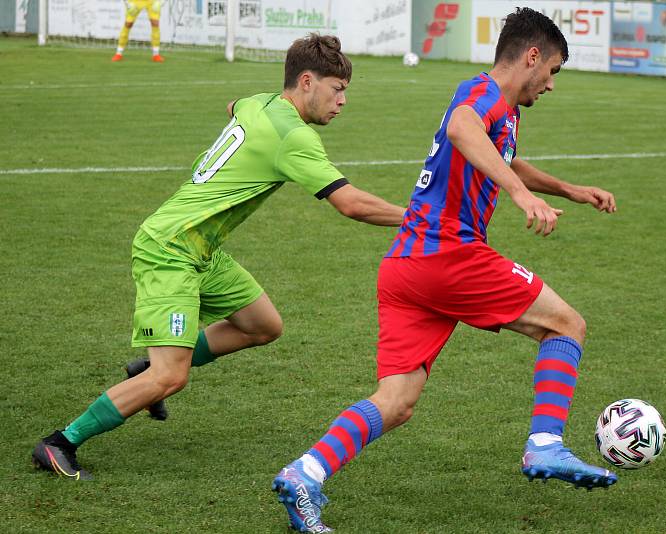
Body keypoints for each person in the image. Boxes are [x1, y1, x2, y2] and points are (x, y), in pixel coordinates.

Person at [272, 8, 618, 532]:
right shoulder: (480, 95)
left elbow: (504, 156)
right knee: (566, 324)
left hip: (405, 266)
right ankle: (545, 444)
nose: (550, 85)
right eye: (552, 71)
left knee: (397, 401)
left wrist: (568, 189)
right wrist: (521, 197)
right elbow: (462, 129)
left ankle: (306, 472)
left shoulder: (500, 109)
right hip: (448, 253)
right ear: (531, 57)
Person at [32, 34, 406, 481]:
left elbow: (233, 106)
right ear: (307, 81)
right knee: (172, 377)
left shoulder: (260, 102)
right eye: (337, 88)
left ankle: (147, 370)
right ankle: (60, 443)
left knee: (264, 325)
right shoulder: (294, 137)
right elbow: (351, 204)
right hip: (170, 247)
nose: (343, 100)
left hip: (201, 249)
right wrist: (421, 219)